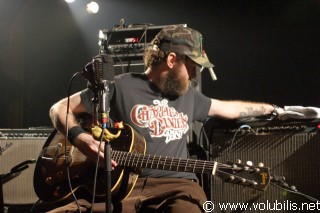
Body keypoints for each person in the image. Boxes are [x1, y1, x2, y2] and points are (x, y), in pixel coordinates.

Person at [46, 25, 282, 212]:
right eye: (190, 66)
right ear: (171, 60)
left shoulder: (190, 96)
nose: (193, 74)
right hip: (120, 188)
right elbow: (59, 108)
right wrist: (81, 138)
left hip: (177, 187)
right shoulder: (120, 86)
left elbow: (230, 109)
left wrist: (274, 109)